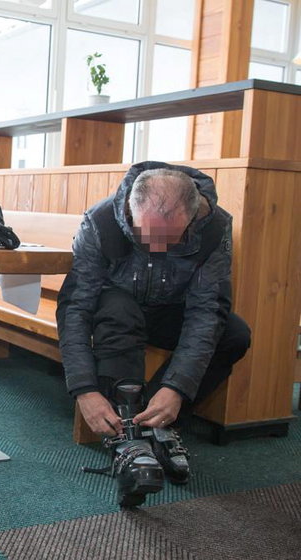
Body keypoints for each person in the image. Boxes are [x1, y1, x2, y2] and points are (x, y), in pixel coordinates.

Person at [56, 161, 251, 507]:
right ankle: (129, 440)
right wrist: (83, 389)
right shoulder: (100, 221)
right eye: (146, 236)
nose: (156, 248)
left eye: (170, 238)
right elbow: (75, 307)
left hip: (171, 307)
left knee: (234, 333)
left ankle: (159, 423)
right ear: (131, 209)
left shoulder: (214, 227)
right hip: (116, 307)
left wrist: (175, 389)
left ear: (191, 219)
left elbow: (207, 312)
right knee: (117, 310)